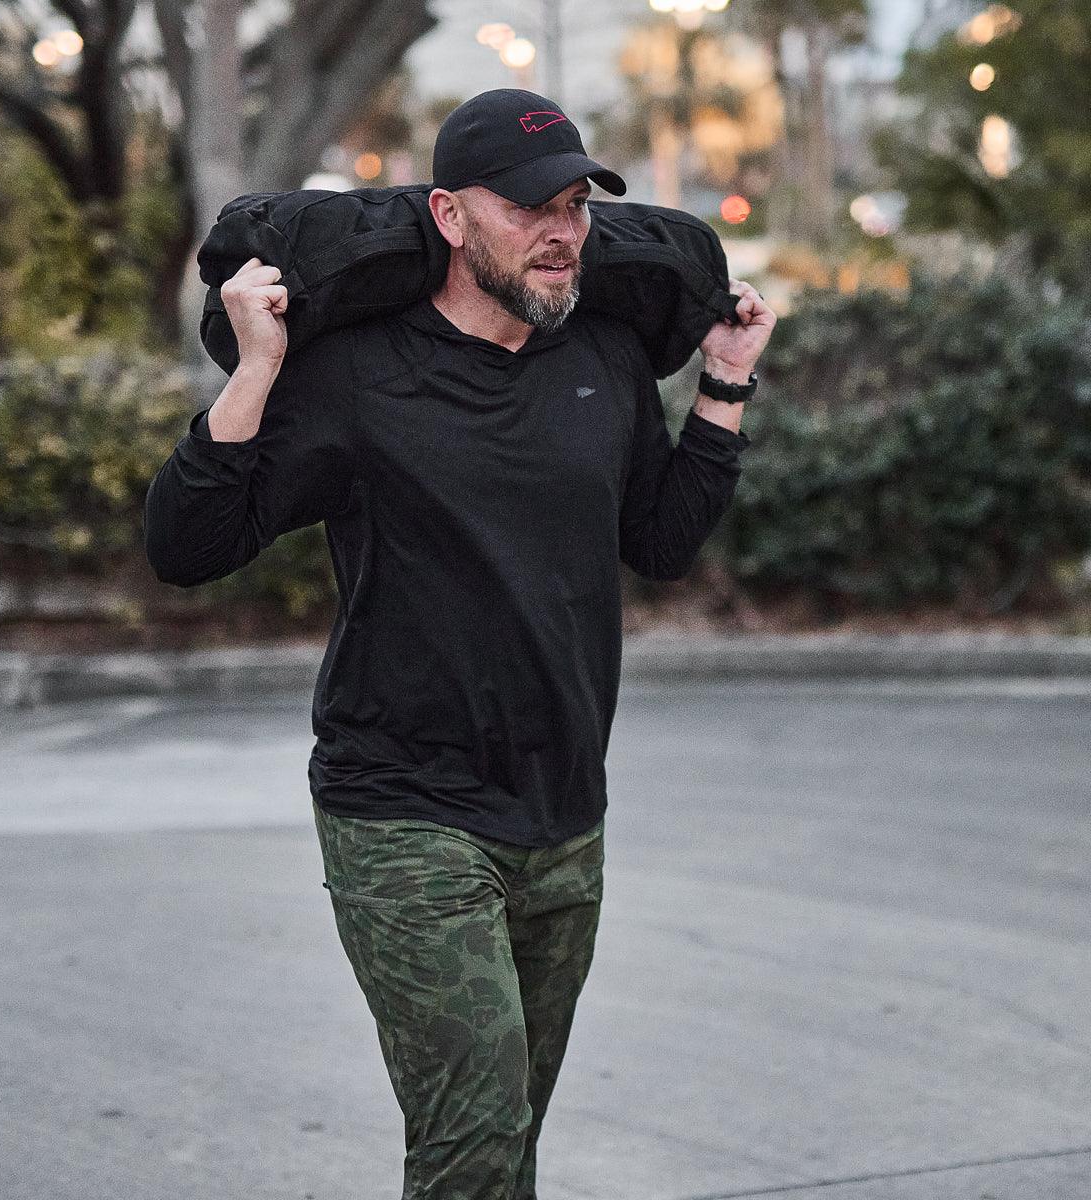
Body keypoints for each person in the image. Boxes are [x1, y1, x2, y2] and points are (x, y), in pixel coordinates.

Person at [144, 87, 775, 1200]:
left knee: (503, 1141)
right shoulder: (357, 377)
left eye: (578, 203)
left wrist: (723, 381)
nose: (563, 228)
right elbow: (189, 544)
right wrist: (251, 373)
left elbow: (661, 541)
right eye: (532, 203)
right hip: (405, 809)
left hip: (565, 813)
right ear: (446, 216)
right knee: (475, 1141)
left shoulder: (608, 360)